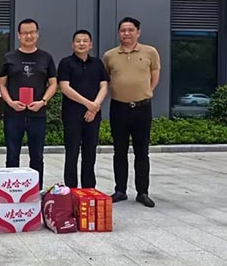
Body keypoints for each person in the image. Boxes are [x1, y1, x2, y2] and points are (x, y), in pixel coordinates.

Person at [103, 17, 160, 208]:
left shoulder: (150, 52)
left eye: (130, 30)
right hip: (118, 108)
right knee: (119, 151)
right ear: (119, 33)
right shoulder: (110, 55)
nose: (126, 33)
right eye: (123, 30)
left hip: (142, 108)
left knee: (142, 151)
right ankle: (120, 190)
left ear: (138, 32)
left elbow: (154, 76)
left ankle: (142, 192)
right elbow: (106, 79)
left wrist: (145, 92)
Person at [0, 18, 58, 189]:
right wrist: (10, 102)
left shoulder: (46, 57)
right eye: (25, 33)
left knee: (37, 156)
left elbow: (53, 84)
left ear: (37, 34)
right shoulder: (9, 57)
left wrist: (43, 102)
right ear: (19, 35)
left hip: (37, 114)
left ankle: (36, 190)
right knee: (12, 155)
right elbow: (1, 84)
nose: (29, 36)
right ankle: (11, 190)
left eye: (32, 32)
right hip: (13, 114)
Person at [57, 30, 109, 189]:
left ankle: (89, 189)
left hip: (93, 116)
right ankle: (71, 190)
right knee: (71, 153)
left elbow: (104, 86)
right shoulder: (66, 63)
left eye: (85, 41)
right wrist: (88, 104)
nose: (81, 44)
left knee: (90, 153)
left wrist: (94, 108)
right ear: (73, 44)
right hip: (72, 115)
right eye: (78, 41)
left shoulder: (97, 64)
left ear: (90, 45)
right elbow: (65, 88)